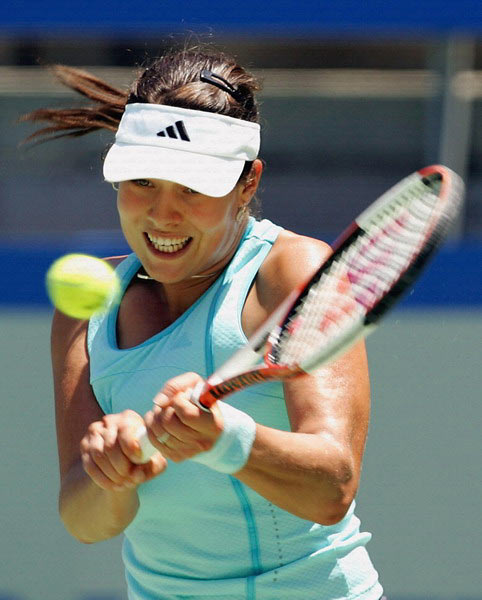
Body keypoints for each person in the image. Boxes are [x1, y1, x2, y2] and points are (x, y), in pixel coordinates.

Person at [24, 46, 385, 600]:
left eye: (193, 188)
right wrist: (115, 471)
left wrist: (224, 438)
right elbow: (83, 518)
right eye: (142, 180)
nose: (164, 214)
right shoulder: (85, 304)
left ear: (247, 183)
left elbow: (332, 485)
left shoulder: (293, 270)